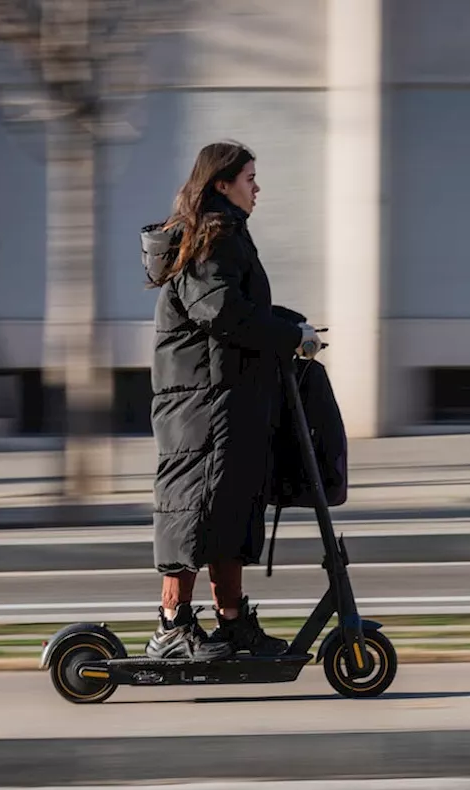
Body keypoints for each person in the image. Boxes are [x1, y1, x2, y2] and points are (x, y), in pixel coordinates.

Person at [139, 141, 323, 661]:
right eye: (249, 178)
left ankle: (233, 623)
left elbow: (241, 307)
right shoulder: (210, 239)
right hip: (204, 406)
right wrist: (290, 337)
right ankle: (172, 627)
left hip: (229, 400)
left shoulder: (226, 235)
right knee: (195, 511)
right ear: (221, 184)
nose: (257, 187)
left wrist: (293, 325)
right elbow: (220, 312)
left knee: (230, 513)